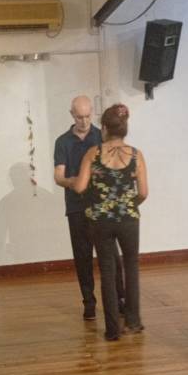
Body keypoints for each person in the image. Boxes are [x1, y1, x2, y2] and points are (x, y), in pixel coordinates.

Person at [74, 103, 148, 341]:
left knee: (107, 271)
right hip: (128, 219)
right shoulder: (136, 155)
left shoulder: (92, 153)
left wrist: (67, 180)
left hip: (101, 220)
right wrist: (128, 204)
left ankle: (113, 330)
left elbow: (80, 187)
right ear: (124, 128)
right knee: (131, 267)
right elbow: (143, 193)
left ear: (104, 128)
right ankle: (133, 322)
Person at [54, 95, 124, 320]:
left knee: (111, 256)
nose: (84, 121)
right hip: (76, 206)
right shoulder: (62, 142)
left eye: (87, 116)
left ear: (92, 113)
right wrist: (74, 182)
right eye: (79, 117)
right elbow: (58, 176)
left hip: (102, 206)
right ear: (71, 115)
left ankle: (119, 300)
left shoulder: (101, 136)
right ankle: (89, 302)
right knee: (82, 257)